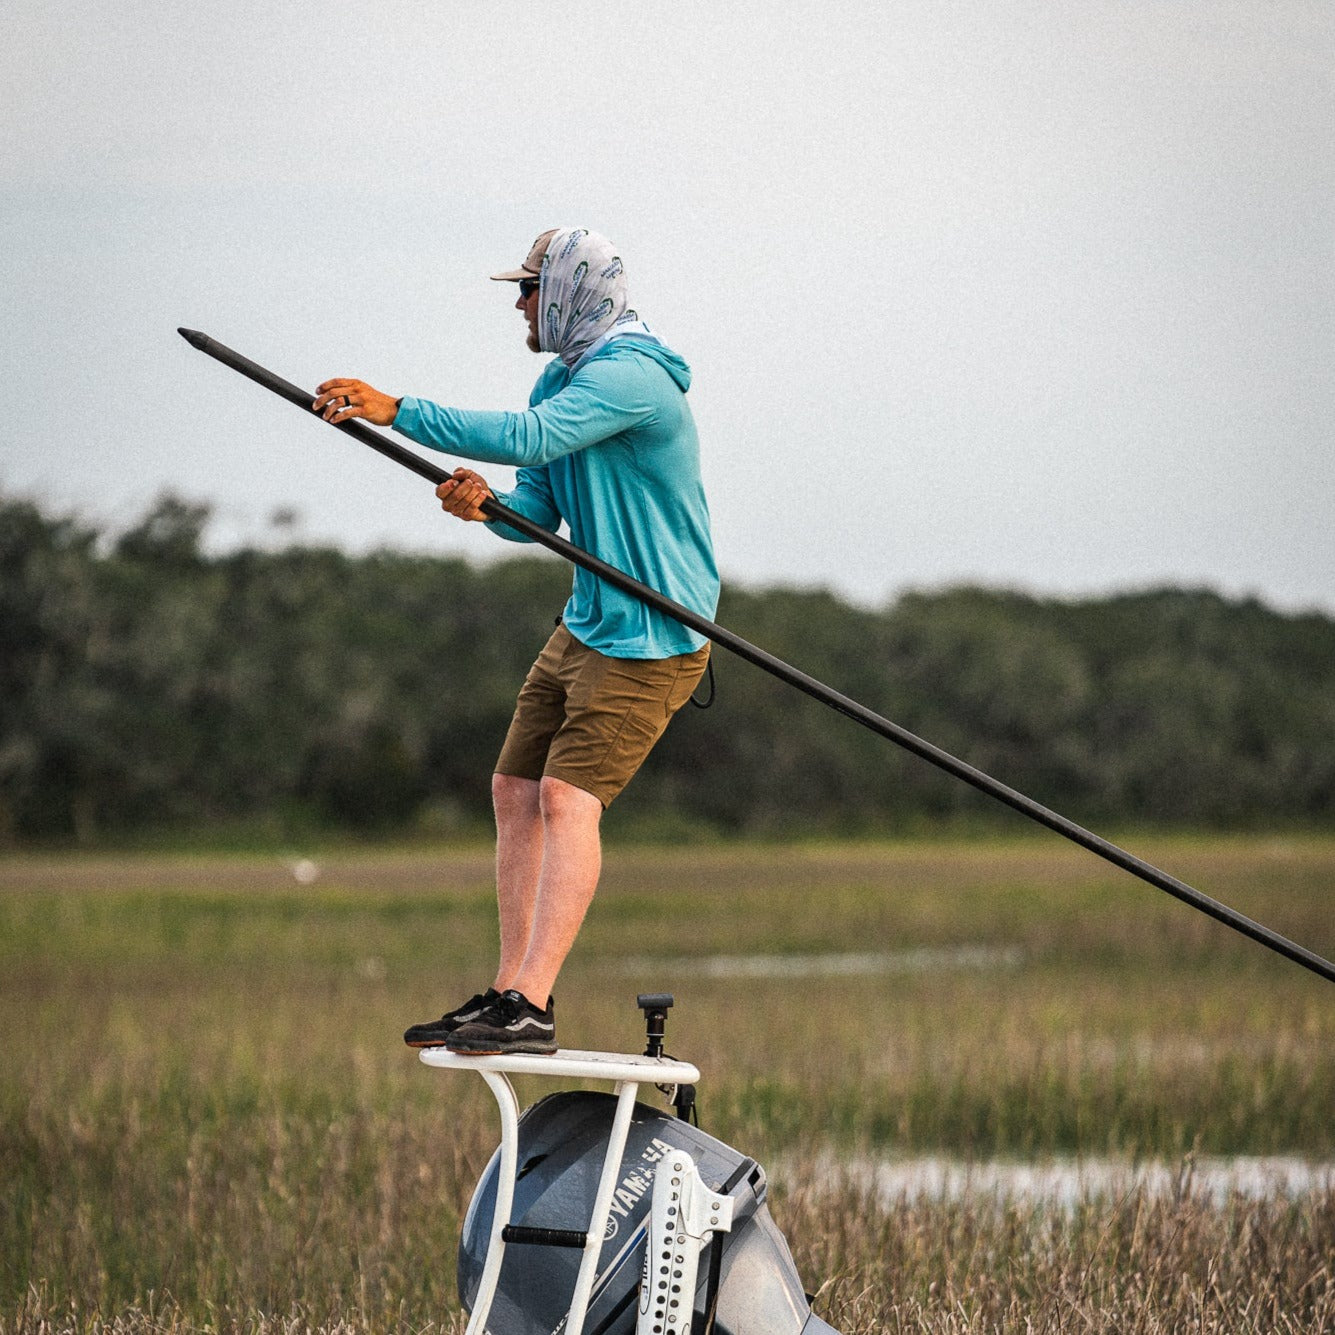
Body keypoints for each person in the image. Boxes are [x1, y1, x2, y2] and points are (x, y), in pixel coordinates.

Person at [312, 228, 718, 1055]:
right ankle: (508, 994)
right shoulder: (561, 376)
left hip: (654, 634)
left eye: (529, 288)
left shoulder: (631, 376)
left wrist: (398, 409)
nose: (519, 304)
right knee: (513, 789)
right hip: (586, 620)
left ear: (569, 292)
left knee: (569, 800)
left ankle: (532, 1001)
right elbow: (539, 509)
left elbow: (531, 437)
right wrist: (487, 507)